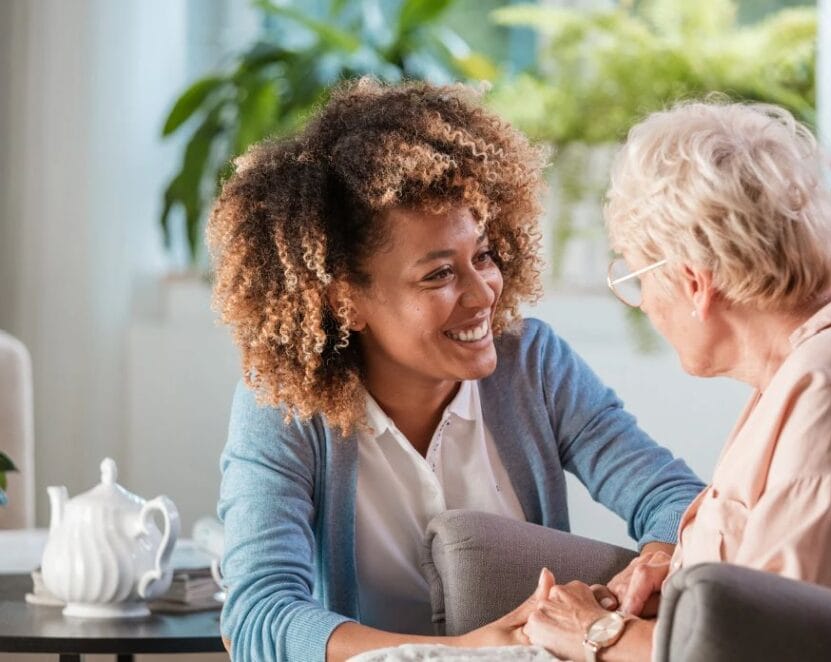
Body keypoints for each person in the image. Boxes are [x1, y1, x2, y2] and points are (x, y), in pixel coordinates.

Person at [208, 78, 705, 662]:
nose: (482, 294)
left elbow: (673, 496)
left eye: (484, 256)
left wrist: (655, 563)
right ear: (346, 301)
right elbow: (258, 614)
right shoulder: (285, 405)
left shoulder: (533, 363)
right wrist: (455, 652)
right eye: (438, 274)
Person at [521, 100, 831, 660]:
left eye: (636, 275)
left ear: (694, 283)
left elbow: (772, 649)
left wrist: (595, 635)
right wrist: (671, 574)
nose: (644, 304)